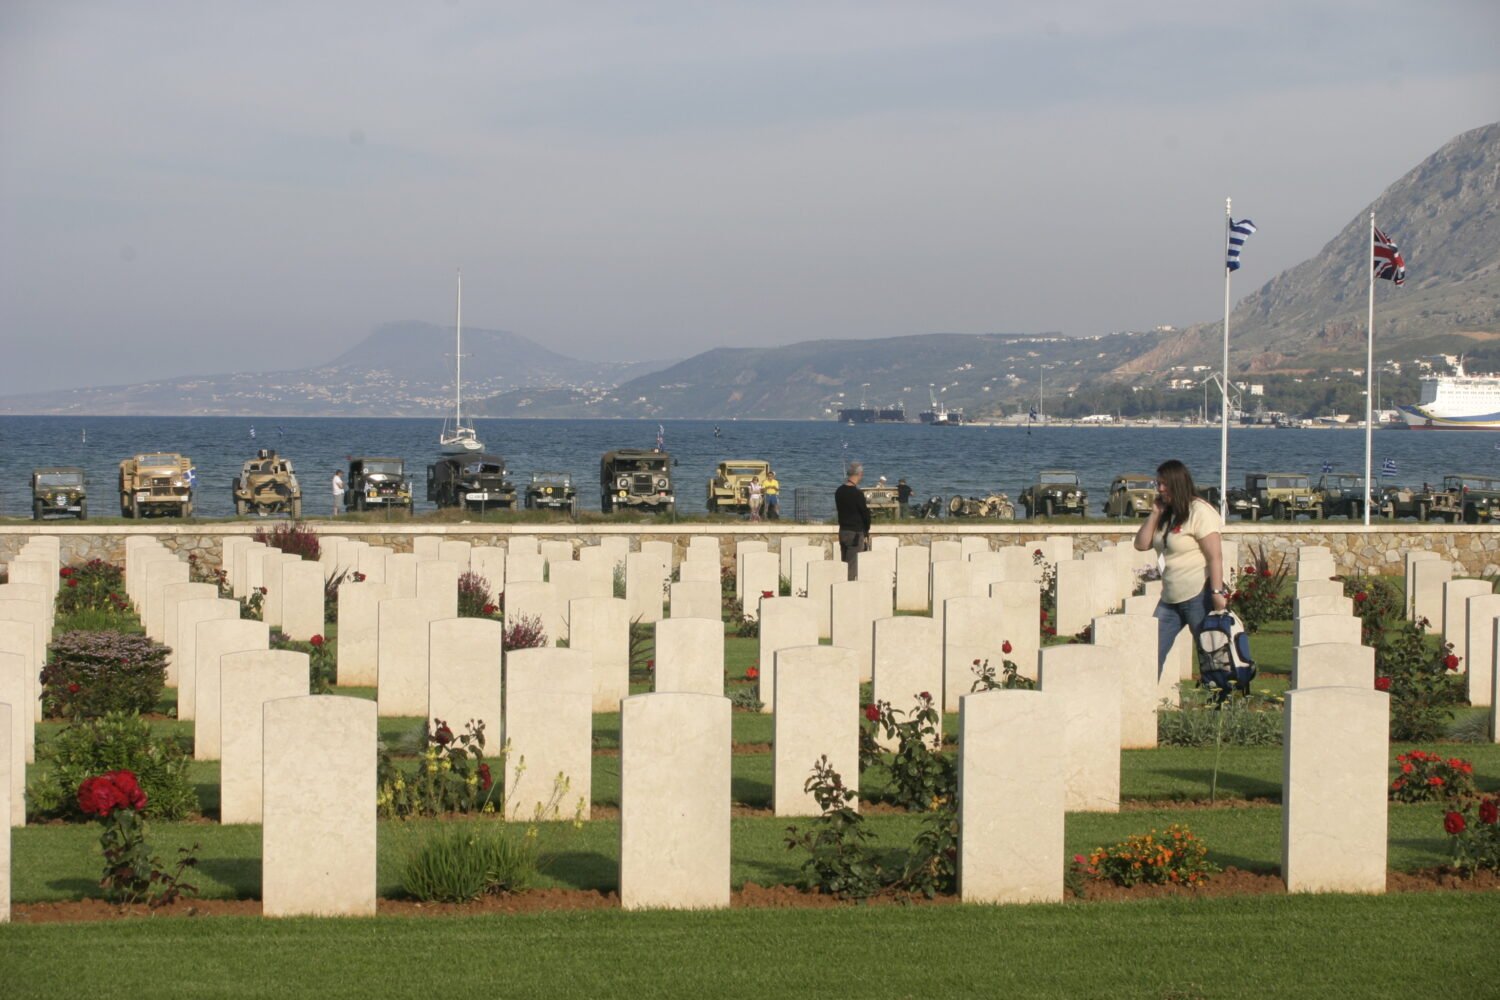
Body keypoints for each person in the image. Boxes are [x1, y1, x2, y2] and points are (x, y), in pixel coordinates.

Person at [1134, 459, 1228, 680]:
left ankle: (1222, 707)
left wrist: (1216, 593)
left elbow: (1214, 556)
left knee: (1211, 655)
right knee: (1150, 654)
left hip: (1198, 596)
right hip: (1170, 598)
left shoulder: (1199, 511)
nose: (1160, 489)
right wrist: (1155, 514)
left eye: (1165, 484)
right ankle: (1145, 707)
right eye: (1158, 484)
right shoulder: (1168, 513)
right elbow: (1141, 544)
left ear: (1178, 483)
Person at [835, 462, 872, 579]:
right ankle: (848, 589)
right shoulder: (857, 494)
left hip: (843, 531)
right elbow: (865, 514)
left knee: (844, 562)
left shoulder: (839, 491)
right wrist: (866, 529)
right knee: (852, 565)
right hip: (855, 533)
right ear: (859, 474)